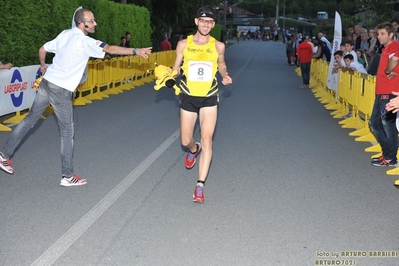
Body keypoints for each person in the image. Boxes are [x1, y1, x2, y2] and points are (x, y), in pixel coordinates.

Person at [0, 7, 152, 186]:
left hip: (47, 83)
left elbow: (42, 49)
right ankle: (67, 176)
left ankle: (3, 155)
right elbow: (110, 48)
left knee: (29, 120)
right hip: (61, 89)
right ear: (82, 23)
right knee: (67, 132)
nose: (95, 23)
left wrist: (43, 65)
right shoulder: (85, 42)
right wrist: (136, 51)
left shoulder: (65, 33)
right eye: (91, 21)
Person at [171, 5, 232, 203]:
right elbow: (176, 68)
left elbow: (221, 63)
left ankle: (200, 185)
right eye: (203, 21)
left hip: (209, 97)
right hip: (188, 95)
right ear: (196, 22)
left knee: (207, 140)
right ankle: (193, 150)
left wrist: (225, 75)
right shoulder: (183, 44)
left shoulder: (218, 46)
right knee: (185, 141)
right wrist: (168, 76)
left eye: (210, 22)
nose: (206, 25)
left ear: (213, 24)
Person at [369, 22, 399, 167]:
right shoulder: (385, 48)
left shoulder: (395, 45)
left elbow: (395, 59)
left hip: (389, 93)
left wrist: (388, 71)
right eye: (378, 34)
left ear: (391, 35)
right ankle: (388, 154)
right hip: (381, 92)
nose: (379, 36)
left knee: (388, 126)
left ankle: (390, 157)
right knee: (375, 123)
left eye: (382, 34)